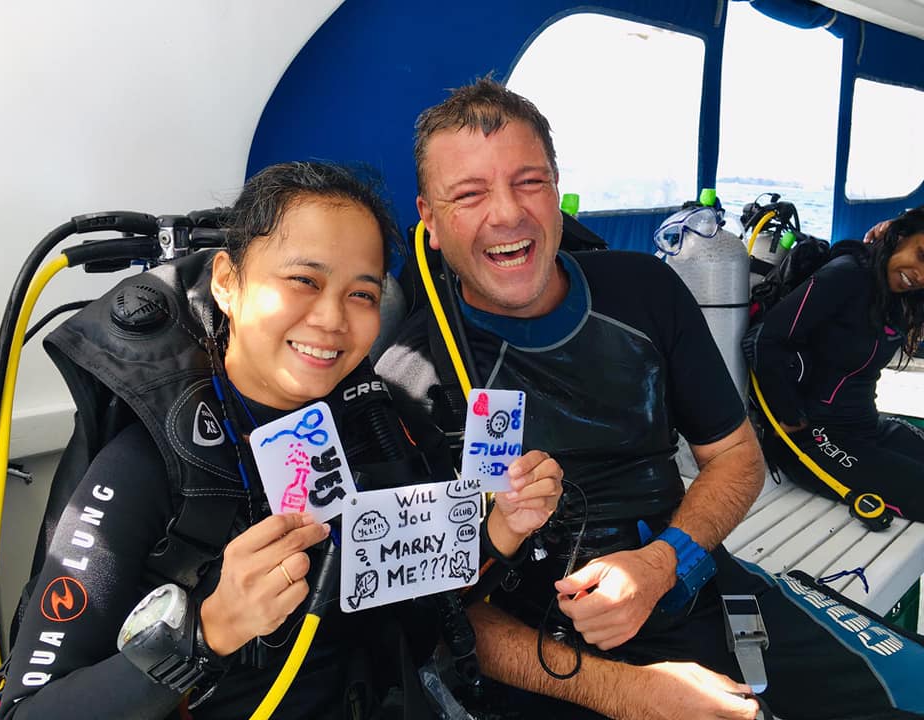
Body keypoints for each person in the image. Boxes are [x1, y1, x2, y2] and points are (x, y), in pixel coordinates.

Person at [377, 78, 924, 720]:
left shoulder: (644, 292)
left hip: (687, 574)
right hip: (551, 655)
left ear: (557, 192)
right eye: (468, 194)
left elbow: (736, 459)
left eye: (528, 182)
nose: (506, 213)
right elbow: (440, 608)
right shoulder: (411, 377)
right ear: (431, 222)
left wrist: (662, 566)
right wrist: (630, 692)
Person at [0, 162, 562, 719]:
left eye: (362, 295)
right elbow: (30, 709)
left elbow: (426, 606)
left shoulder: (383, 428)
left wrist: (496, 534)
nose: (331, 318)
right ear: (227, 282)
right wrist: (210, 628)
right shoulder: (147, 465)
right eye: (303, 281)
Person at [749, 209, 924, 520]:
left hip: (866, 427)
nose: (921, 276)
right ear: (899, 237)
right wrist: (788, 416)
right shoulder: (846, 276)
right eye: (921, 255)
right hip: (815, 437)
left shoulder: (901, 296)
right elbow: (767, 339)